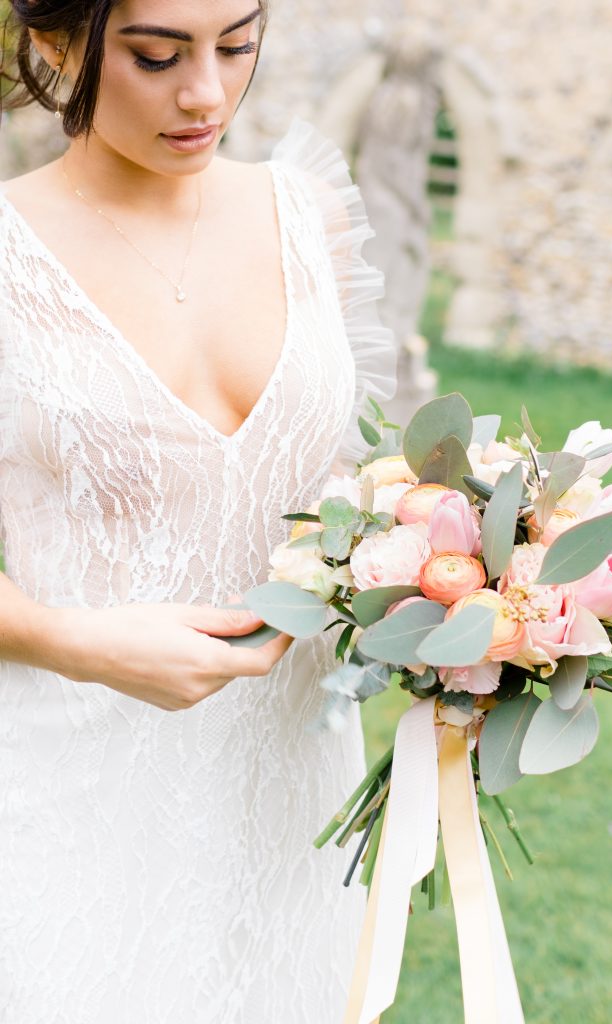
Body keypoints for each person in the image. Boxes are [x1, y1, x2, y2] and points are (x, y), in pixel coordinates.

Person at [0, 1, 395, 1020]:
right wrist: (66, 638)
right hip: (66, 790)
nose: (206, 94)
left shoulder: (313, 215)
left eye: (237, 44)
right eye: (157, 54)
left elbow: (352, 496)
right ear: (52, 43)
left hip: (291, 799)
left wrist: (476, 589)